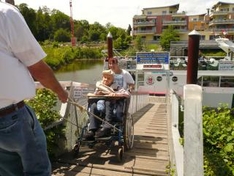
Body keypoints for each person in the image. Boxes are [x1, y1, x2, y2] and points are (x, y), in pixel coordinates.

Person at [0, 2, 68, 176]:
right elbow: (37, 67)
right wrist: (60, 91)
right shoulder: (6, 13)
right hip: (11, 117)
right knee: (37, 171)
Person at [85, 70, 129, 140]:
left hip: (112, 108)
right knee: (93, 105)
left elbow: (127, 94)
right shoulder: (99, 86)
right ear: (102, 78)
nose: (106, 79)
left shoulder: (116, 87)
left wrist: (116, 94)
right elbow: (92, 95)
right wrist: (96, 94)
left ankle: (107, 126)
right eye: (104, 77)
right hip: (100, 107)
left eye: (109, 78)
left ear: (112, 79)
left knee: (108, 101)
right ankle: (92, 129)